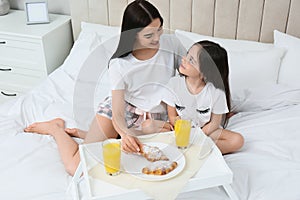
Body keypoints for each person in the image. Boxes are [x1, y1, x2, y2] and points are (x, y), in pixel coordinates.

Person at [24, 0, 183, 175]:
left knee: (156, 163)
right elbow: (117, 112)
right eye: (149, 35)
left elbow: (190, 74)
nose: (157, 38)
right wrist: (125, 133)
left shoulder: (171, 44)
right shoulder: (119, 64)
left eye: (159, 29)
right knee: (77, 168)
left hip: (154, 120)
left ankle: (87, 134)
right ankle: (55, 128)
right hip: (122, 112)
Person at [164, 40, 244, 154]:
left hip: (206, 131)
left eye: (191, 60)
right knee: (148, 126)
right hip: (179, 129)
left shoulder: (216, 92)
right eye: (187, 54)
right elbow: (172, 116)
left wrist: (196, 137)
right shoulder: (174, 84)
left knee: (237, 140)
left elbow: (214, 123)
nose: (184, 59)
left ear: (205, 72)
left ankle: (192, 150)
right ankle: (193, 149)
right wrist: (183, 133)